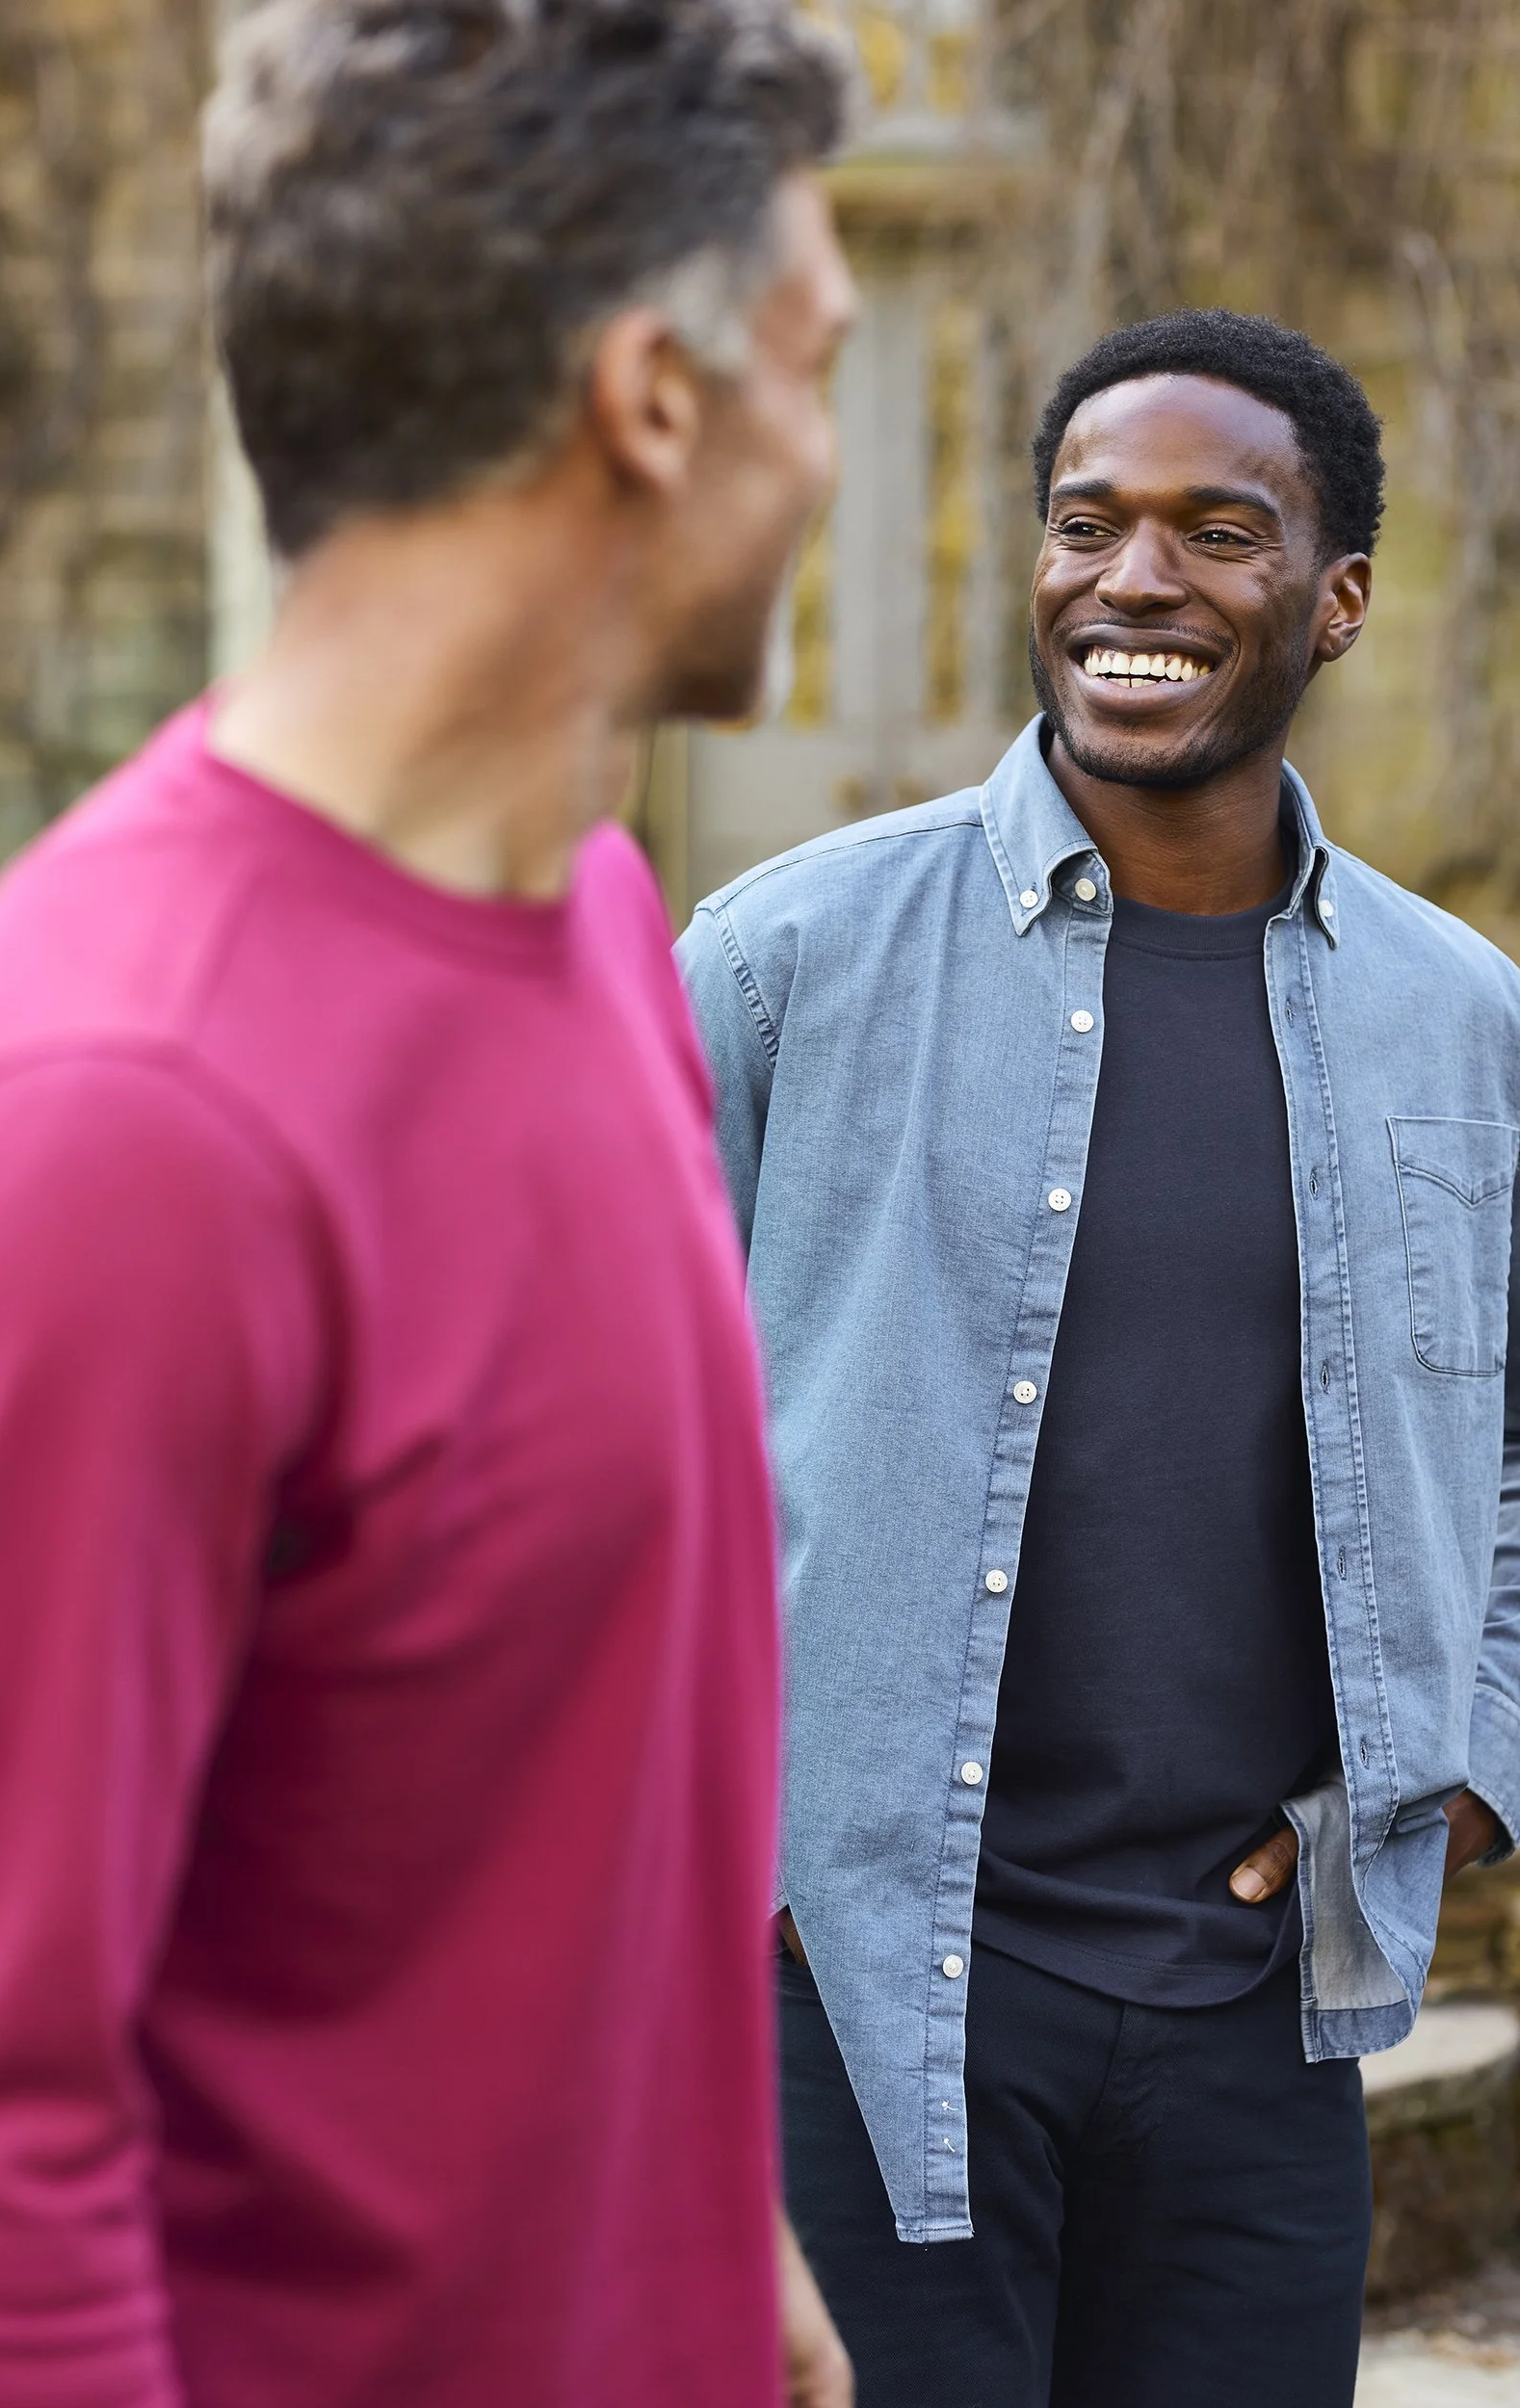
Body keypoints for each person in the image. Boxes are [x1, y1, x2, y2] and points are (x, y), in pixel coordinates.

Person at [0, 2, 859, 2402]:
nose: (834, 457)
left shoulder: (601, 935)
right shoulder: (125, 1122)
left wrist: (719, 2243)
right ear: (653, 398)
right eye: (813, 361)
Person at [676, 307, 1520, 2407]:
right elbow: (594, 1440)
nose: (1130, 577)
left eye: (1212, 529)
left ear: (1329, 601)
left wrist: (1465, 1778)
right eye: (1084, 522)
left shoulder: (1459, 1026)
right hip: (854, 1997)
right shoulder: (778, 963)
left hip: (1261, 2010)